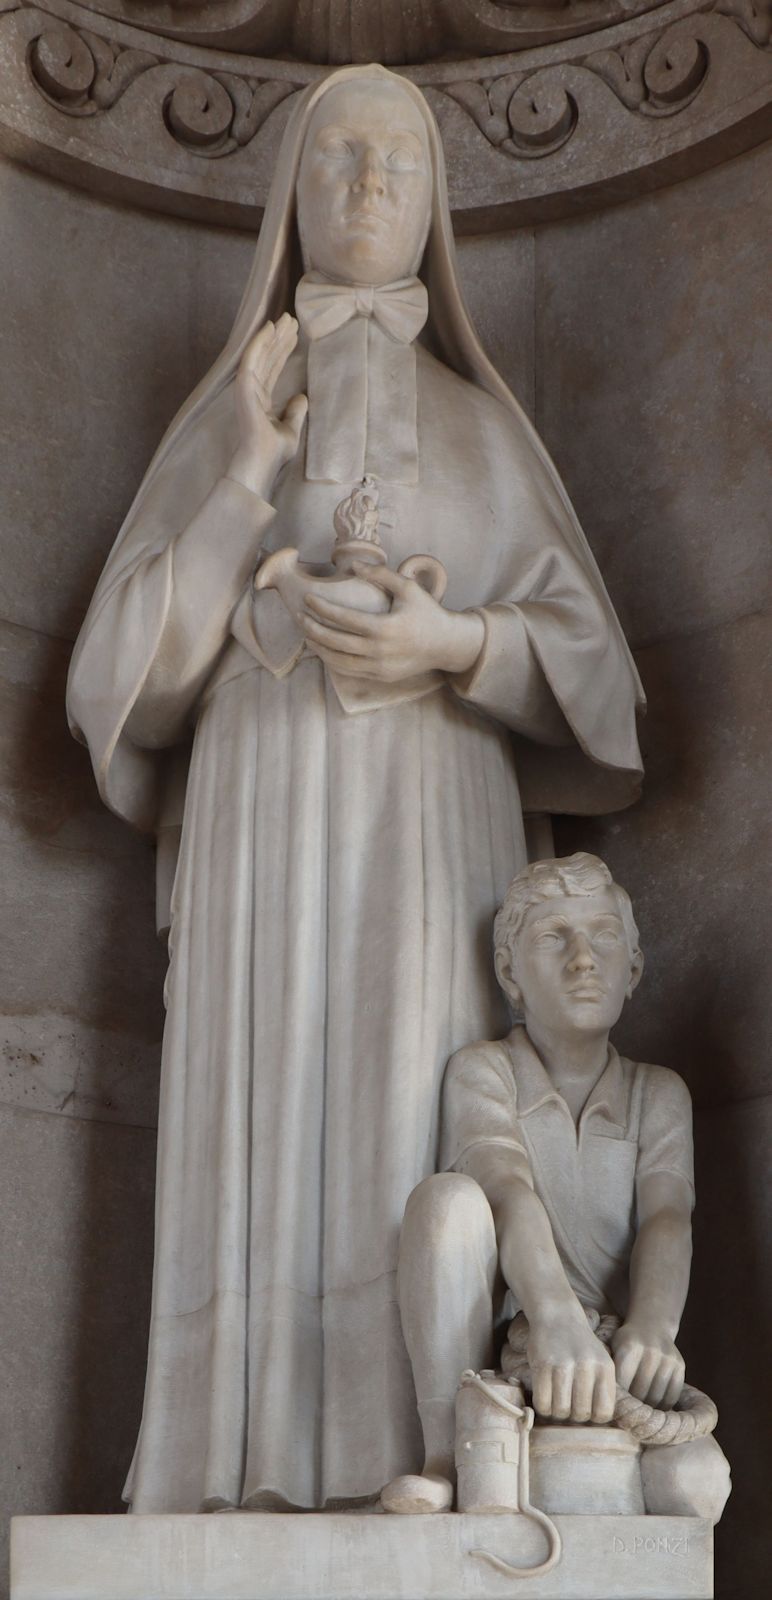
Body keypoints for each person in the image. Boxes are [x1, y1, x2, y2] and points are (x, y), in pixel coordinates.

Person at [67, 68, 644, 1513]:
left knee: (412, 1096)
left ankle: (431, 1450)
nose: (371, 181)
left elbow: (608, 690)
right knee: (267, 1094)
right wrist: (249, 466)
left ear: (435, 203)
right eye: (338, 155)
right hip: (261, 800)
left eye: (398, 157)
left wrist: (456, 643)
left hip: (432, 805)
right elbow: (121, 682)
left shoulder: (485, 425)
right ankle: (231, 1464)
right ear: (293, 197)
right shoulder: (230, 411)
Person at [387, 853, 730, 1522]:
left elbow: (668, 1216)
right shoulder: (485, 1071)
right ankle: (444, 1456)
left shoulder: (657, 1093)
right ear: (510, 974)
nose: (583, 959)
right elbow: (508, 1186)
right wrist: (552, 1318)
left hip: (620, 1362)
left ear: (632, 968)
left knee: (697, 1484)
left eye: (603, 935)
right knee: (447, 1203)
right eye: (554, 937)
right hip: (521, 1343)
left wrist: (654, 1330)